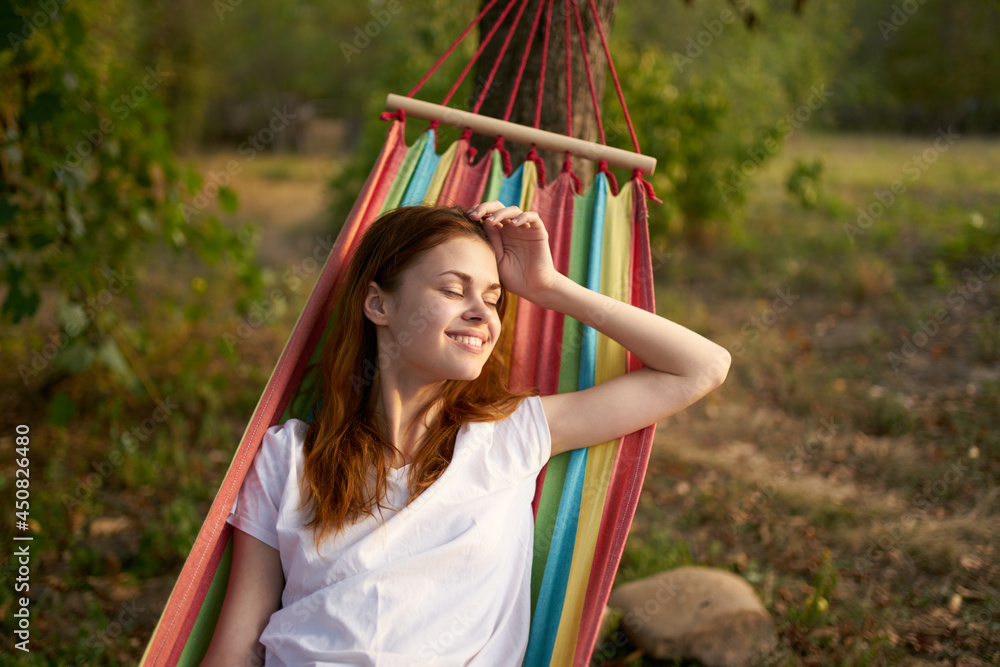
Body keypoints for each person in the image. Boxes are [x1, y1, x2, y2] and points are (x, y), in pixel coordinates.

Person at [200, 201, 731, 666]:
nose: (482, 313)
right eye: (454, 290)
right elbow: (239, 646)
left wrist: (548, 287)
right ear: (378, 305)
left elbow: (701, 367)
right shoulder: (290, 455)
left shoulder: (509, 436)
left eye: (495, 298)